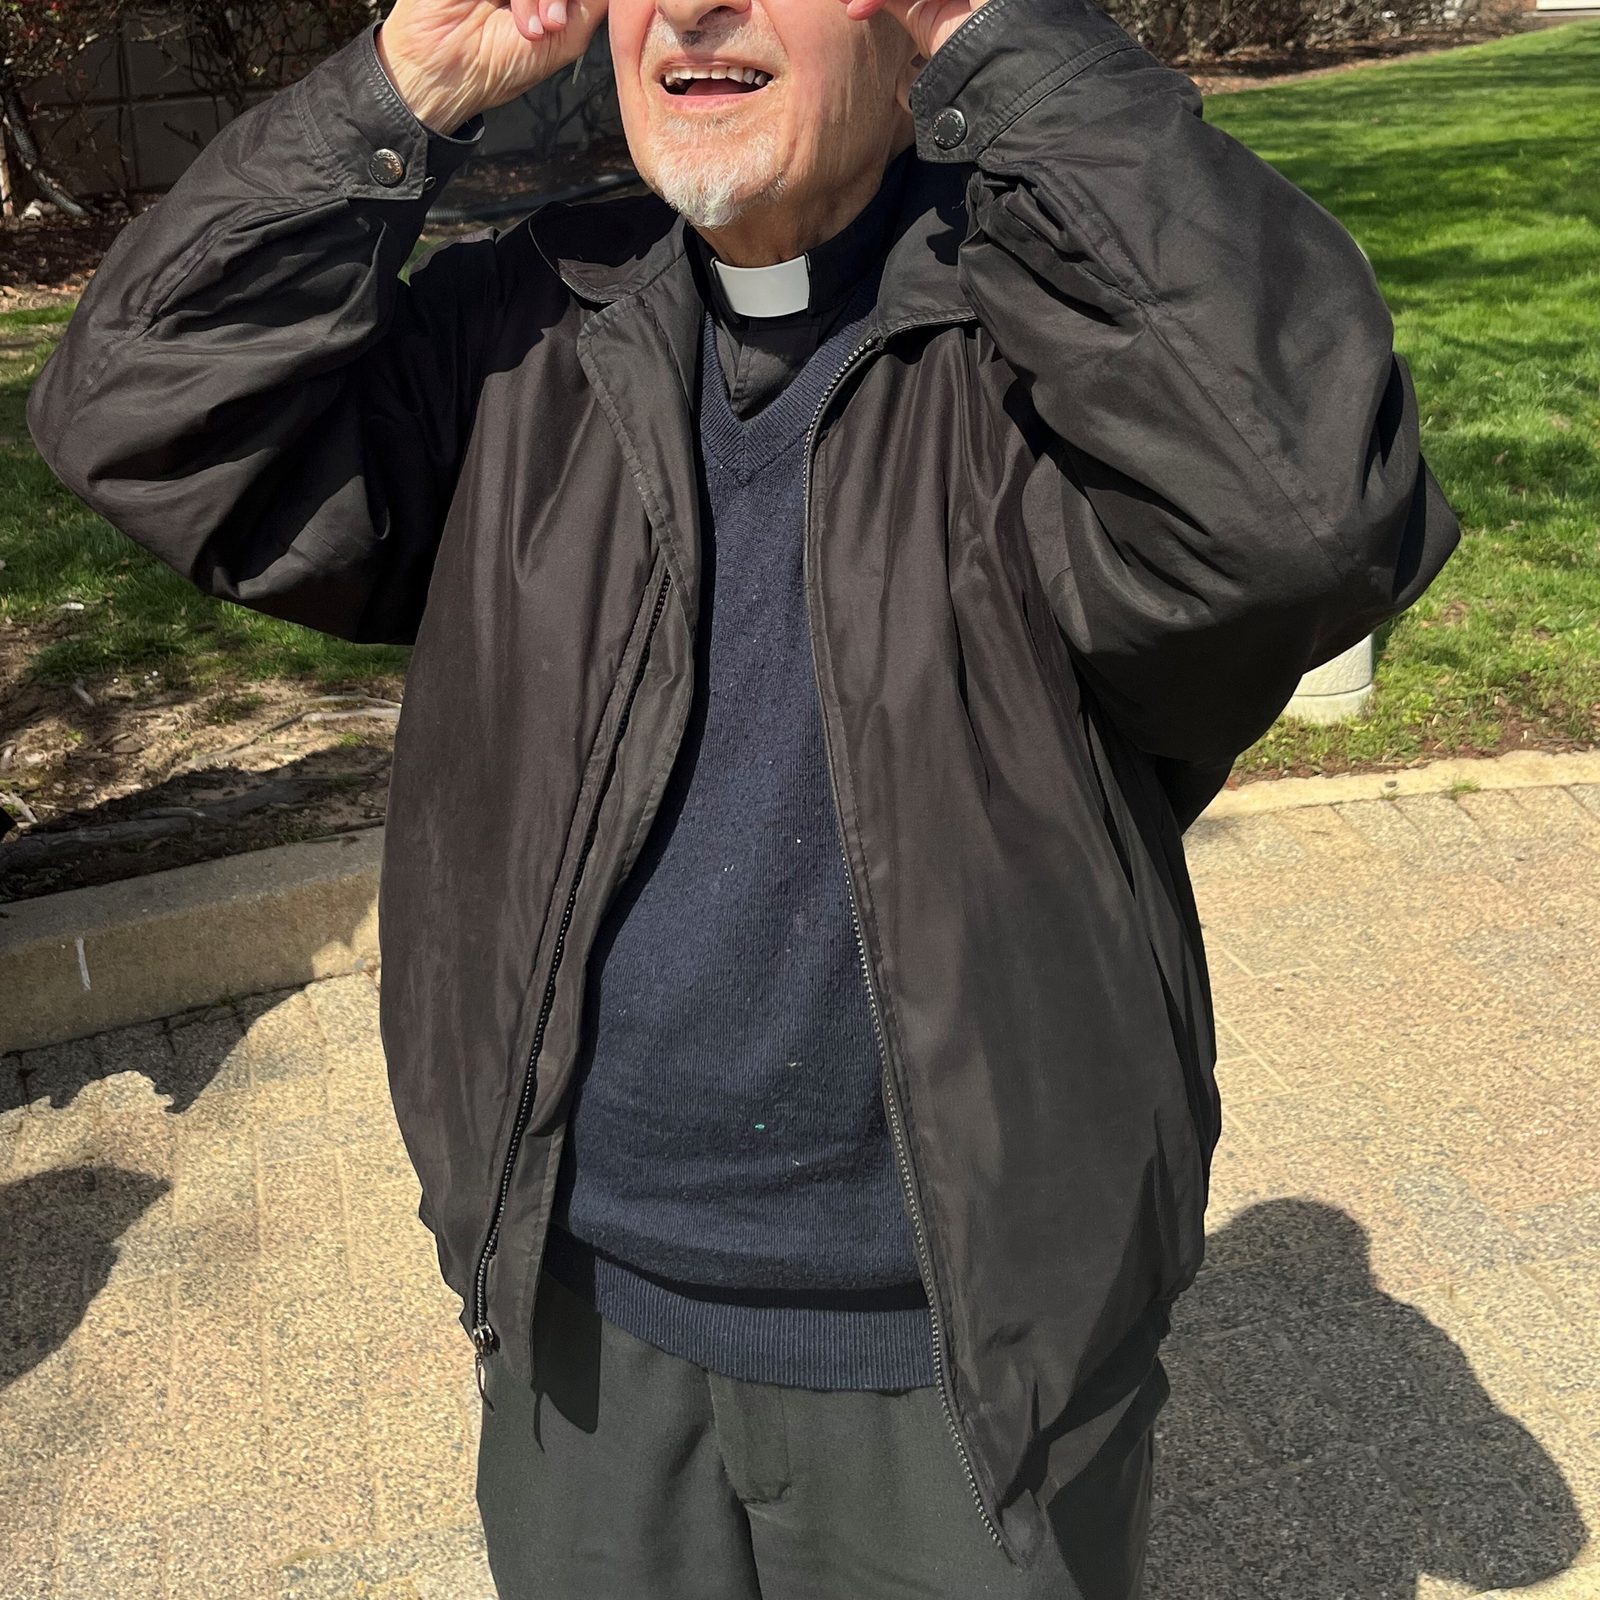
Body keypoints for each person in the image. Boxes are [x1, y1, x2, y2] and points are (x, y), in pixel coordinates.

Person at [26, 0, 1460, 1590]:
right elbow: (135, 412)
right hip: (579, 1323)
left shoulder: (1050, 338)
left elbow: (1302, 518)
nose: (698, 8)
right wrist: (400, 91)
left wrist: (1001, 49)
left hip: (961, 1356)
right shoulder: (525, 330)